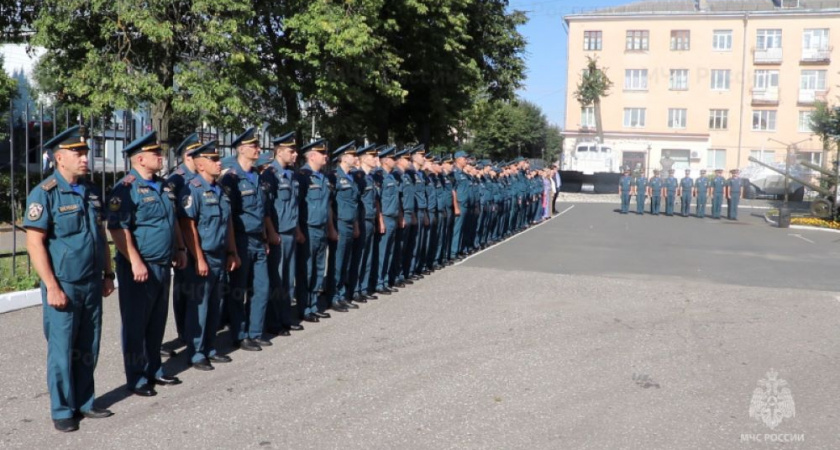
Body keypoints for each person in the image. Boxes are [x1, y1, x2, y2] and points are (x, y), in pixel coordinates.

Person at [24, 125, 115, 432]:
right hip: (63, 284)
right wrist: (51, 286)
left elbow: (100, 237)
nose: (84, 157)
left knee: (89, 344)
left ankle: (85, 401)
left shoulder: (90, 192)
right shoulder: (45, 193)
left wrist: (108, 273)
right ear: (60, 158)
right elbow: (35, 243)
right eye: (77, 153)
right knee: (62, 349)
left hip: (91, 282)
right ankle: (63, 409)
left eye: (85, 152)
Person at [108, 131, 186, 398]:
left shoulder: (163, 186)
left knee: (156, 321)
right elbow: (118, 229)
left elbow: (172, 220)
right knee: (135, 324)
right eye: (156, 154)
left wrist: (180, 247)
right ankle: (137, 377)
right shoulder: (126, 188)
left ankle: (155, 368)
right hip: (139, 268)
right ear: (140, 158)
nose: (161, 157)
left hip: (163, 263)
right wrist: (135, 261)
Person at [178, 140, 240, 371]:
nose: (219, 163)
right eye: (213, 160)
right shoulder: (192, 189)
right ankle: (196, 353)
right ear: (201, 164)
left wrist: (232, 252)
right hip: (202, 257)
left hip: (220, 255)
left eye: (218, 158)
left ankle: (210, 348)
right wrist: (199, 257)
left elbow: (228, 223)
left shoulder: (220, 190)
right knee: (200, 306)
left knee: (216, 303)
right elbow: (188, 226)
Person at [220, 127, 271, 351]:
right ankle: (239, 335)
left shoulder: (257, 176)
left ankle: (255, 332)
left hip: (258, 239)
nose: (258, 149)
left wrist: (266, 237)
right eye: (254, 146)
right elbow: (228, 215)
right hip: (241, 239)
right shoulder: (231, 178)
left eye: (258, 146)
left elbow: (262, 211)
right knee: (238, 289)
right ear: (241, 149)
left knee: (261, 287)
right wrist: (231, 248)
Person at [261, 132, 305, 337]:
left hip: (290, 231)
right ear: (279, 152)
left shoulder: (291, 174)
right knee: (276, 279)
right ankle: (274, 321)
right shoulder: (269, 175)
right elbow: (267, 208)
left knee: (288, 278)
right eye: (291, 151)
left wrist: (296, 229)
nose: (295, 154)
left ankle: (286, 318)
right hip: (278, 234)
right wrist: (271, 232)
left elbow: (293, 206)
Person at [164, 133, 201, 357]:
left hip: (198, 241)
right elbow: (175, 216)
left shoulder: (199, 178)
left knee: (196, 290)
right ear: (188, 156)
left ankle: (193, 329)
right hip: (183, 243)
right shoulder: (176, 179)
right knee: (184, 289)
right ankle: (184, 333)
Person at [296, 139, 338, 323]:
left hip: (321, 228)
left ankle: (313, 305)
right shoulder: (302, 177)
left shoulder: (323, 177)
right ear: (312, 156)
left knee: (319, 268)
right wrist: (298, 230)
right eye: (323, 154)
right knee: (307, 270)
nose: (326, 156)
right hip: (308, 229)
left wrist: (330, 228)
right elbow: (295, 206)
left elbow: (328, 206)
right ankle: (304, 307)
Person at [328, 141, 360, 312]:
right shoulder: (334, 177)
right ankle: (333, 297)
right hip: (339, 224)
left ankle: (341, 295)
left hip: (349, 223)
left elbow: (353, 203)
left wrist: (355, 225)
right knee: (337, 262)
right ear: (344, 158)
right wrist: (331, 227)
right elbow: (329, 203)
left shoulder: (352, 177)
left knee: (345, 261)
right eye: (353, 156)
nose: (356, 159)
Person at [349, 144, 381, 302]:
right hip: (361, 220)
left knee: (367, 255)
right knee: (359, 256)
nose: (376, 159)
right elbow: (355, 201)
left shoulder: (370, 177)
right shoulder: (357, 176)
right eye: (372, 156)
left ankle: (363, 287)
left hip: (370, 219)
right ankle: (354, 289)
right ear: (363, 159)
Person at [374, 146, 400, 295]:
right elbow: (377, 201)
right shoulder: (379, 177)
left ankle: (384, 280)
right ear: (385, 161)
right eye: (392, 158)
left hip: (394, 217)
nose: (395, 160)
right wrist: (381, 220)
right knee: (383, 252)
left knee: (389, 251)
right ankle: (378, 282)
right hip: (386, 218)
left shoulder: (392, 176)